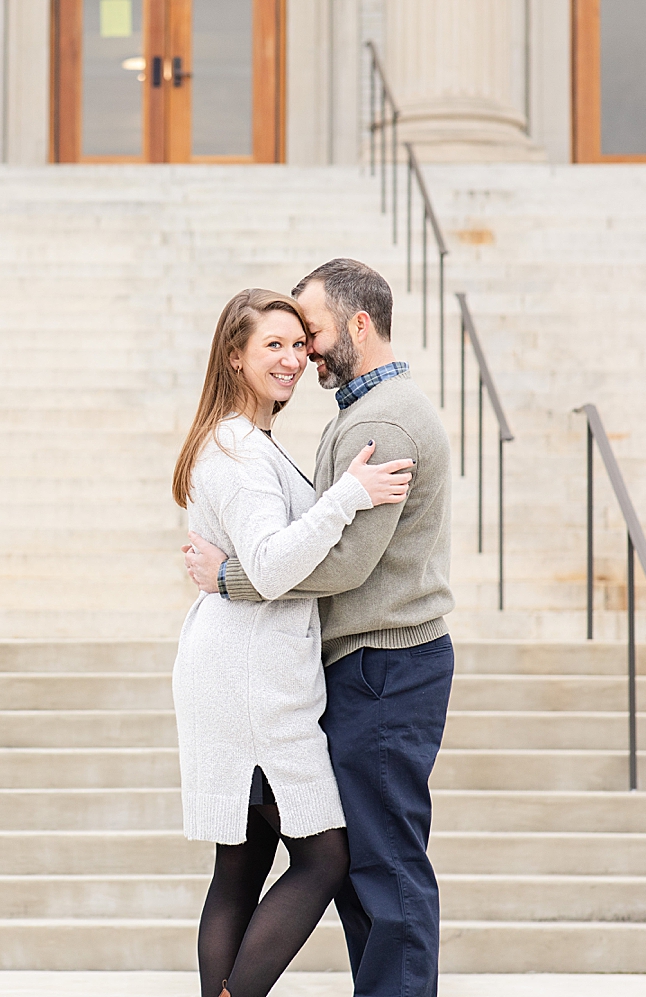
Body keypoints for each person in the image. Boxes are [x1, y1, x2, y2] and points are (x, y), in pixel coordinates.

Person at [184, 259, 455, 997]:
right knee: (317, 859)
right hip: (264, 669)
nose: (300, 353)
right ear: (234, 356)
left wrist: (230, 574)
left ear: (356, 325)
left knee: (337, 860)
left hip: (360, 666)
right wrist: (335, 502)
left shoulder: (376, 420)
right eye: (279, 341)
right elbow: (287, 556)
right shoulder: (249, 445)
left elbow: (335, 563)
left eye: (305, 336)